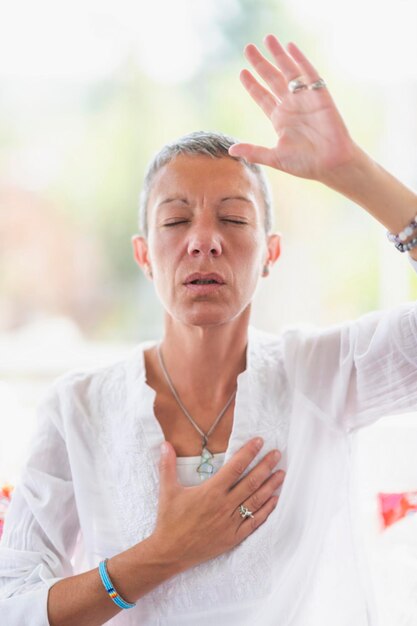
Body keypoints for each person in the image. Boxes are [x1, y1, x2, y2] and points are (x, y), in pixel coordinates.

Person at [1, 33, 417, 626]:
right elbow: (12, 605)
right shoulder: (78, 410)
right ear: (145, 256)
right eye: (176, 219)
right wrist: (162, 555)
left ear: (270, 252)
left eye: (232, 218)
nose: (203, 239)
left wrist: (352, 172)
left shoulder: (327, 373)